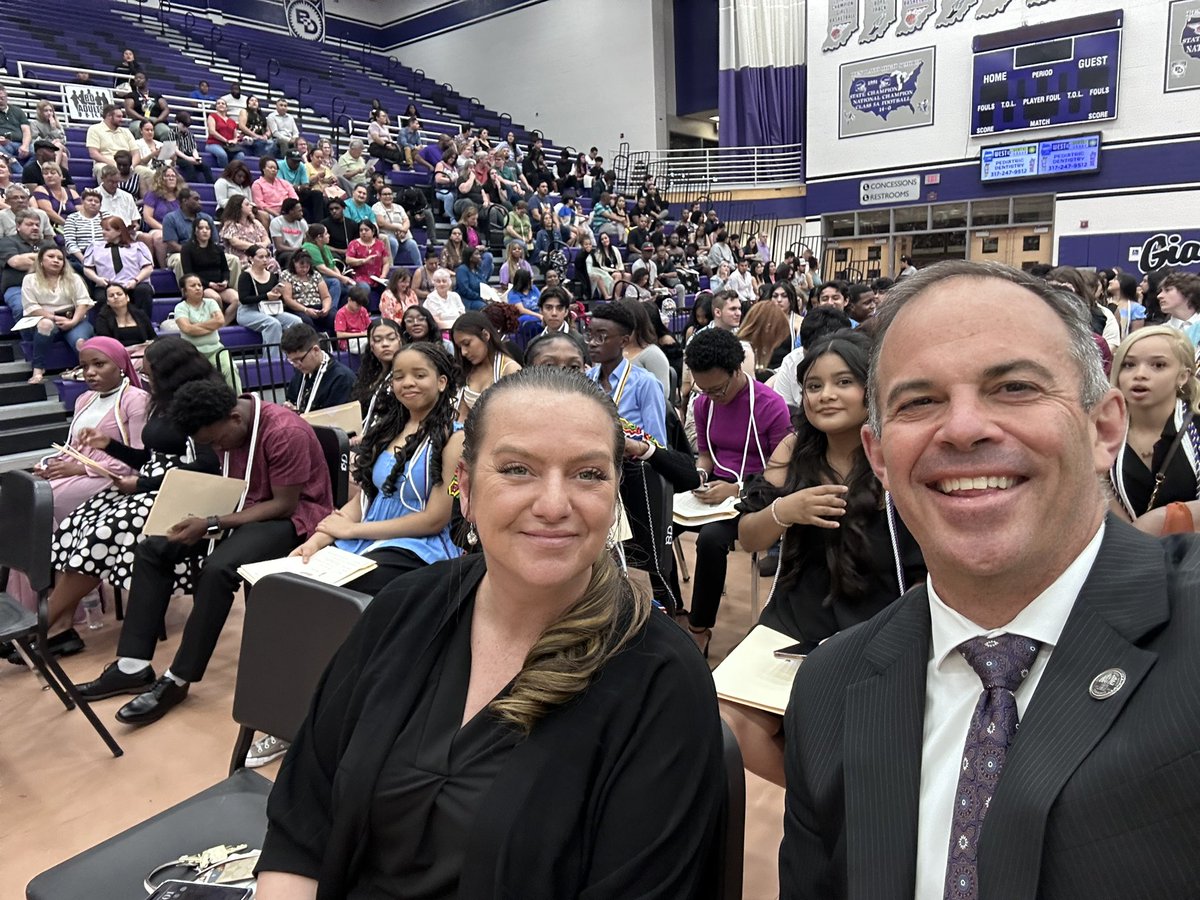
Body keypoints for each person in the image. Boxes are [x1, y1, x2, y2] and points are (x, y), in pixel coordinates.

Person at [778, 259, 1200, 899]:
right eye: (920, 402)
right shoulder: (831, 688)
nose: (965, 428)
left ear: (1102, 427)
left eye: (1015, 388)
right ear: (880, 457)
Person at [254, 365, 724, 899]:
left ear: (615, 493)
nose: (553, 505)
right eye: (518, 469)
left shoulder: (662, 681)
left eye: (588, 474)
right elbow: (304, 818)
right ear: (467, 490)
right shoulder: (401, 609)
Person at [730, 332, 925, 786]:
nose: (826, 395)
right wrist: (785, 510)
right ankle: (817, 801)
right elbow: (747, 537)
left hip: (878, 621)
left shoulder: (897, 456)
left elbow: (924, 567)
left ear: (871, 388)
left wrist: (904, 632)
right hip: (794, 622)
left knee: (864, 739)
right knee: (727, 723)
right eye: (814, 385)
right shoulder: (793, 450)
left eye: (843, 382)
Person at [76, 380, 333, 725]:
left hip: (296, 517)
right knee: (154, 547)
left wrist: (213, 521)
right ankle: (133, 666)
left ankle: (179, 678)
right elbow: (225, 477)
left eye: (215, 441)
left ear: (234, 419)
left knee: (218, 568)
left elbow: (283, 505)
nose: (215, 448)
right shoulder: (220, 424)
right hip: (243, 504)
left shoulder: (286, 432)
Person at [44, 339, 221, 646]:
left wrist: (141, 485)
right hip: (153, 485)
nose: (142, 371)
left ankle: (39, 625)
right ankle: (59, 627)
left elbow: (207, 467)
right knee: (76, 523)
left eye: (149, 368)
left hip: (183, 492)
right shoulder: (162, 401)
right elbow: (150, 459)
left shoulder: (201, 404)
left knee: (101, 533)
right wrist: (109, 445)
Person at [291, 339, 464, 598]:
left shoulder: (454, 438)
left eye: (419, 375)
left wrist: (353, 531)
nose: (407, 383)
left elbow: (434, 519)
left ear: (441, 382)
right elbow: (366, 498)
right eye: (399, 376)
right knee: (295, 578)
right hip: (369, 536)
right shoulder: (387, 430)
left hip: (418, 547)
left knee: (336, 594)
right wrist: (316, 542)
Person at [683, 327, 791, 653]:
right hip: (717, 490)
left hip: (757, 493)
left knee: (712, 539)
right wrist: (700, 476)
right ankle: (666, 604)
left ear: (737, 370)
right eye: (703, 390)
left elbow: (781, 473)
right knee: (662, 521)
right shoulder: (704, 404)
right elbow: (705, 454)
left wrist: (737, 488)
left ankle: (699, 627)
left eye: (717, 389)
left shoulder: (770, 405)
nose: (710, 396)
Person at [1108, 326, 1200, 520]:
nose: (1140, 374)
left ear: (1183, 376)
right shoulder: (1103, 431)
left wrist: (1161, 520)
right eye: (1129, 365)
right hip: (1130, 548)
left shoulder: (1195, 428)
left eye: (1158, 365)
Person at [19, 245, 95, 384]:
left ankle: (90, 371)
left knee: (80, 343)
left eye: (60, 258)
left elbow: (83, 302)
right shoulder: (30, 279)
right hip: (46, 318)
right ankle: (38, 369)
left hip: (74, 319)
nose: (56, 260)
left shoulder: (74, 278)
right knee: (45, 325)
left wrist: (73, 322)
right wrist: (54, 317)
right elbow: (31, 307)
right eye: (51, 257)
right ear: (41, 260)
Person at [174, 273, 241, 390]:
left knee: (231, 369)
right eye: (193, 286)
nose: (198, 288)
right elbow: (187, 329)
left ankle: (238, 402)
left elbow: (220, 321)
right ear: (185, 291)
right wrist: (210, 325)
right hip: (193, 354)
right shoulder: (180, 307)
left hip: (216, 350)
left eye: (199, 285)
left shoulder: (211, 303)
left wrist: (195, 326)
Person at [452, 311, 522, 420]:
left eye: (466, 344)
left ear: (485, 335)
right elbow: (461, 417)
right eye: (459, 347)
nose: (463, 352)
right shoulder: (466, 370)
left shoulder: (510, 369)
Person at [83, 214, 154, 317]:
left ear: (119, 231)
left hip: (133, 284)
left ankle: (143, 323)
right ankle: (107, 327)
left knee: (144, 290)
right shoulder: (95, 247)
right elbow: (87, 268)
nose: (103, 232)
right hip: (106, 285)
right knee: (101, 297)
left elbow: (148, 268)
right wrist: (98, 279)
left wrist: (135, 280)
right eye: (102, 229)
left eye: (107, 230)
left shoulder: (137, 247)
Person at [238, 244, 303, 346]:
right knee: (273, 324)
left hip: (269, 309)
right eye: (261, 257)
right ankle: (273, 359)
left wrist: (278, 294)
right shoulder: (246, 275)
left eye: (267, 256)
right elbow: (243, 299)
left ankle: (293, 353)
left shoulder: (272, 276)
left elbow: (275, 296)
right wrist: (266, 296)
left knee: (296, 321)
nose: (265, 260)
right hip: (248, 311)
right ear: (251, 259)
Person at [281, 323, 354, 413]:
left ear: (315, 350)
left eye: (299, 359)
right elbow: (291, 399)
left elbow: (337, 419)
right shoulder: (301, 372)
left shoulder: (342, 379)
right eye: (292, 361)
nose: (296, 365)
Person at [180, 216, 239, 324]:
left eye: (207, 228)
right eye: (201, 228)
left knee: (236, 299)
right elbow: (189, 273)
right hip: (203, 285)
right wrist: (209, 284)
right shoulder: (187, 249)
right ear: (195, 231)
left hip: (220, 285)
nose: (205, 231)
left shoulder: (217, 248)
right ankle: (217, 322)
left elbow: (225, 269)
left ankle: (223, 324)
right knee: (215, 298)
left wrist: (225, 281)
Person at [0, 209, 56, 318]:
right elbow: (16, 262)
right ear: (18, 226)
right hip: (17, 287)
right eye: (29, 224)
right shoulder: (7, 242)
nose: (35, 228)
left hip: (48, 286)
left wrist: (29, 257)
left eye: (37, 225)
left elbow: (59, 264)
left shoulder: (48, 244)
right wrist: (45, 260)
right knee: (23, 309)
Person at [86, 103, 153, 184]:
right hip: (106, 163)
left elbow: (136, 154)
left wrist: (131, 166)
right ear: (109, 116)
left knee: (147, 172)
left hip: (128, 165)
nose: (122, 119)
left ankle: (146, 197)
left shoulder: (126, 131)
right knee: (103, 170)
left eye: (122, 116)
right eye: (118, 117)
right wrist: (113, 164)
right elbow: (94, 154)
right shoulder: (94, 129)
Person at [279, 249, 334, 334]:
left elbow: (326, 296)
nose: (304, 269)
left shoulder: (315, 274)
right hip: (299, 308)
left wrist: (325, 308)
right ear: (294, 262)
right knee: (306, 321)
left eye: (307, 266)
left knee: (333, 317)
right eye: (301, 266)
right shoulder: (286, 275)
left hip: (318, 306)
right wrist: (305, 309)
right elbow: (287, 299)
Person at [300, 222, 353, 310]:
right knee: (335, 282)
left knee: (350, 290)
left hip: (325, 277)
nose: (329, 235)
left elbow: (333, 265)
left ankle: (341, 312)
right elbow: (322, 268)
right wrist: (340, 278)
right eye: (326, 233)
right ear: (319, 237)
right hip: (312, 278)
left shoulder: (324, 247)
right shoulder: (310, 247)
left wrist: (341, 278)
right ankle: (331, 310)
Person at [220, 195, 274, 273]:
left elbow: (266, 239)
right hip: (241, 257)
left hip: (260, 254)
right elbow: (235, 242)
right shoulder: (230, 224)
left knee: (273, 263)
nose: (250, 207)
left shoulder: (255, 223)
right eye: (247, 204)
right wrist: (254, 246)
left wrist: (262, 245)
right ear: (238, 207)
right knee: (250, 265)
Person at [372, 185, 422, 266]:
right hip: (386, 236)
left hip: (402, 237)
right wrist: (399, 227)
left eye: (389, 194)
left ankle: (421, 269)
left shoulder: (399, 207)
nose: (388, 196)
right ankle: (389, 267)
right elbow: (381, 223)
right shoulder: (376, 207)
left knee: (412, 244)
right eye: (385, 194)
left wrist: (404, 230)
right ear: (379, 196)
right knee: (393, 242)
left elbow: (406, 220)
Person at [738, 300, 792, 373]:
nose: (778, 343)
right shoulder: (746, 353)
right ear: (768, 328)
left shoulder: (744, 348)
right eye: (777, 335)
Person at [62, 188, 105, 277]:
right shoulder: (72, 218)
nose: (93, 203)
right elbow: (70, 243)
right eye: (90, 200)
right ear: (82, 202)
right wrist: (84, 260)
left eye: (96, 201)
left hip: (104, 253)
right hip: (81, 255)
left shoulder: (106, 216)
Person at [32, 162, 81, 230]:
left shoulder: (72, 193)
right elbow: (48, 211)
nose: (49, 176)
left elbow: (81, 212)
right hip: (53, 229)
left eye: (53, 173)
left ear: (61, 176)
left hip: (74, 228)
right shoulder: (40, 190)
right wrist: (67, 225)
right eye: (45, 174)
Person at [345, 219, 390, 288]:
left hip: (377, 278)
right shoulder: (354, 244)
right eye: (361, 230)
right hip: (359, 278)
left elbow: (386, 263)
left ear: (373, 231)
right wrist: (364, 261)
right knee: (365, 287)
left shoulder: (380, 244)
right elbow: (348, 260)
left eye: (366, 230)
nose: (363, 232)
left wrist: (383, 275)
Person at [205, 99, 244, 170]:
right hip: (213, 143)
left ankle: (233, 172)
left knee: (241, 155)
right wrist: (226, 140)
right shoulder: (212, 116)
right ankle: (226, 173)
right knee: (222, 154)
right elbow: (212, 131)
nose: (221, 104)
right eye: (218, 103)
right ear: (216, 107)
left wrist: (234, 141)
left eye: (223, 103)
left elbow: (236, 136)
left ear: (226, 107)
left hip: (228, 146)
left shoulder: (232, 121)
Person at [334, 285, 372, 353]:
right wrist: (361, 334)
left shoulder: (363, 310)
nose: (359, 307)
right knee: (369, 343)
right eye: (357, 305)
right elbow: (340, 335)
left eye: (361, 305)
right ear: (349, 300)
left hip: (363, 338)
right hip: (348, 341)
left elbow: (370, 327)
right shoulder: (341, 313)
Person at [1110, 271, 1146, 340]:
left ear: (1124, 284)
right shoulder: (1105, 302)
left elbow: (1135, 337)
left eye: (1115, 279)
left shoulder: (1136, 308)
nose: (1110, 281)